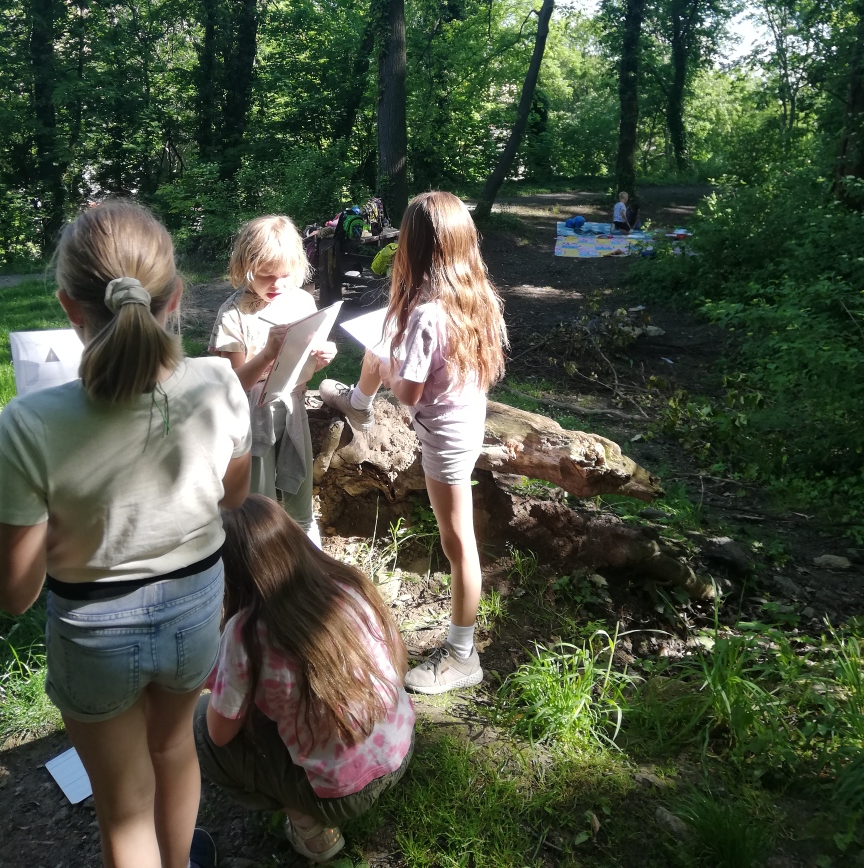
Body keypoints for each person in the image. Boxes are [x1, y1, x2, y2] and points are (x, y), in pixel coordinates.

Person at [0, 200, 252, 868]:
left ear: (68, 307)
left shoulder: (26, 424)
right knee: (173, 746)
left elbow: (15, 594)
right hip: (195, 607)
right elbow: (233, 498)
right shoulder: (220, 383)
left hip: (94, 632)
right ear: (176, 298)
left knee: (124, 805)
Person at [319, 191, 507, 695]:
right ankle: (357, 403)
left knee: (457, 543)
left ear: (413, 245)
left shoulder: (428, 313)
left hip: (444, 438)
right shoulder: (475, 295)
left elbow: (407, 393)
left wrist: (387, 365)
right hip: (462, 420)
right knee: (457, 540)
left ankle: (463, 656)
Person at [194, 495, 415, 864]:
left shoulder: (246, 633)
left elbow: (220, 734)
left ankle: (310, 826)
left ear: (230, 572)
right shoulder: (347, 584)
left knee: (200, 725)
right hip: (399, 748)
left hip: (342, 794)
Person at [209, 215, 336, 546]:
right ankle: (261, 561)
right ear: (245, 267)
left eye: (285, 275)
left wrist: (320, 359)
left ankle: (308, 559)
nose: (277, 284)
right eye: (266, 275)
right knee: (259, 503)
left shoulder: (301, 301)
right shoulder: (235, 314)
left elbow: (303, 366)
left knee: (299, 495)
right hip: (252, 418)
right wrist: (266, 354)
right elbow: (234, 384)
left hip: (293, 408)